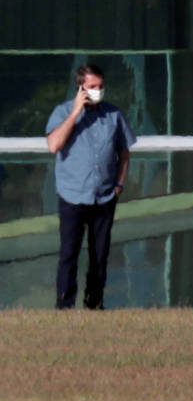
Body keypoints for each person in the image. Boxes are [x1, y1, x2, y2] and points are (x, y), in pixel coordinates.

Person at [45, 63, 136, 310]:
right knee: (69, 255)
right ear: (81, 87)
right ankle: (64, 307)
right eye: (92, 86)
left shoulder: (113, 115)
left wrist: (118, 185)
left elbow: (124, 154)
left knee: (99, 256)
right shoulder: (62, 112)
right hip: (72, 196)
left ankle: (94, 305)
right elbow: (53, 145)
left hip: (104, 197)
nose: (98, 90)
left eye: (101, 86)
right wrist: (75, 113)